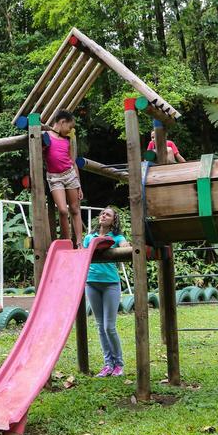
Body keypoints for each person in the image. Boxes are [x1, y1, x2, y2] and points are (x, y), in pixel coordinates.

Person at [83, 207, 130, 376]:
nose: (103, 215)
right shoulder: (90, 237)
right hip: (91, 284)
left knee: (109, 327)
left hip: (110, 284)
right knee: (100, 327)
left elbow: (124, 245)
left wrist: (125, 245)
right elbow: (83, 254)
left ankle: (119, 364)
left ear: (113, 220)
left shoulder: (117, 237)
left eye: (108, 214)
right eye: (102, 213)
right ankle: (108, 364)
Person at [44, 109, 84, 245]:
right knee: (62, 210)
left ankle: (79, 242)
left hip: (70, 175)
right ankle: (67, 241)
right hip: (54, 178)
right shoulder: (46, 136)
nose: (70, 130)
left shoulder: (67, 140)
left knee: (74, 209)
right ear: (62, 122)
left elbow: (72, 162)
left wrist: (79, 185)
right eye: (70, 127)